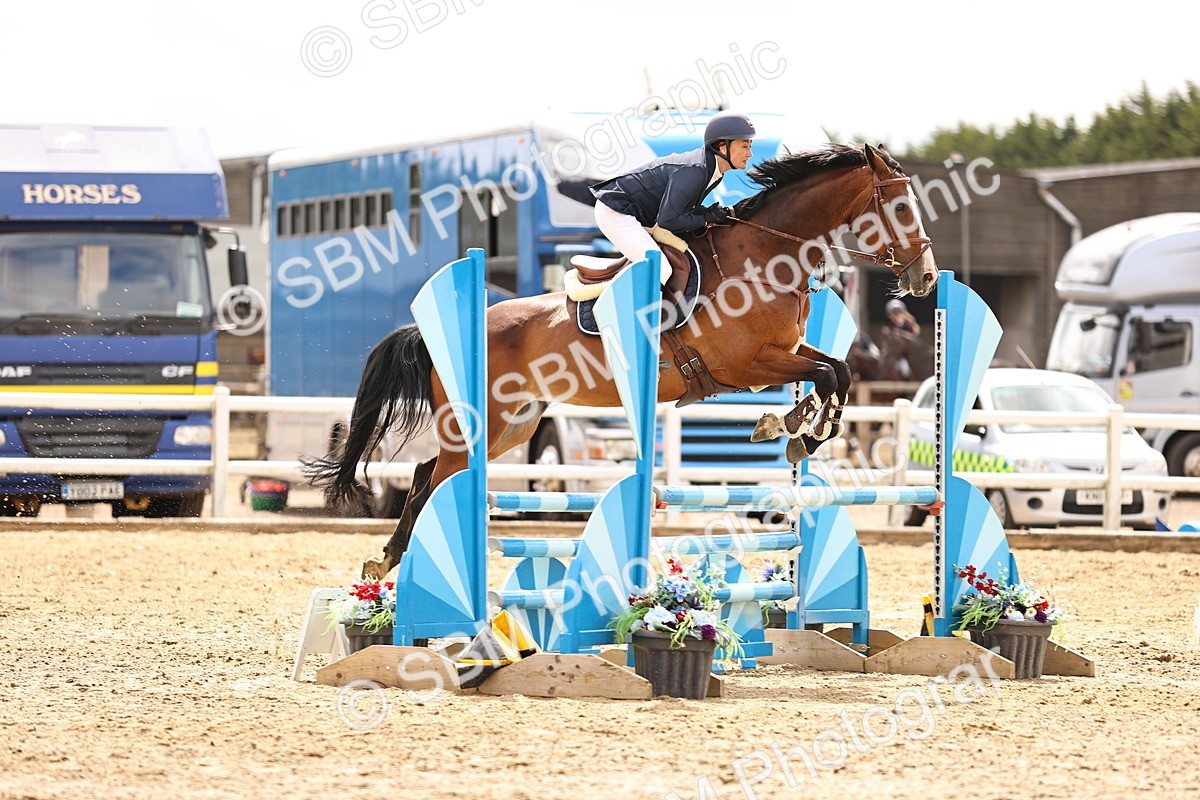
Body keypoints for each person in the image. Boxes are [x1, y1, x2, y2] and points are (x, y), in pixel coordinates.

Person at [589, 111, 757, 283]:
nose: (750, 153)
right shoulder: (696, 171)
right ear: (722, 147)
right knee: (661, 270)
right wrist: (704, 219)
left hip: (637, 215)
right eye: (745, 146)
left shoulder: (713, 172)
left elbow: (683, 210)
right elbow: (668, 221)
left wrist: (706, 213)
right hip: (616, 212)